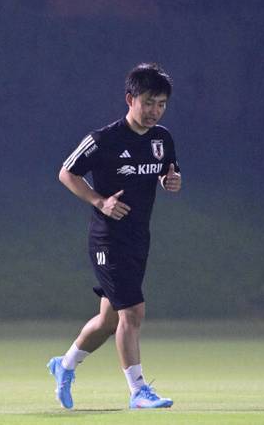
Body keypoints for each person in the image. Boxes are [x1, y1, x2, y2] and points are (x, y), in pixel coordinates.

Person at [48, 63, 181, 410]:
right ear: (130, 99)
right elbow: (66, 172)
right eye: (148, 102)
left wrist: (171, 181)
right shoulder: (103, 140)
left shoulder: (162, 139)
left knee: (109, 321)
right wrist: (99, 201)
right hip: (108, 239)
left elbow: (167, 172)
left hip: (138, 237)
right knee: (132, 312)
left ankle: (64, 365)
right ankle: (138, 391)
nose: (154, 111)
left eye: (161, 104)